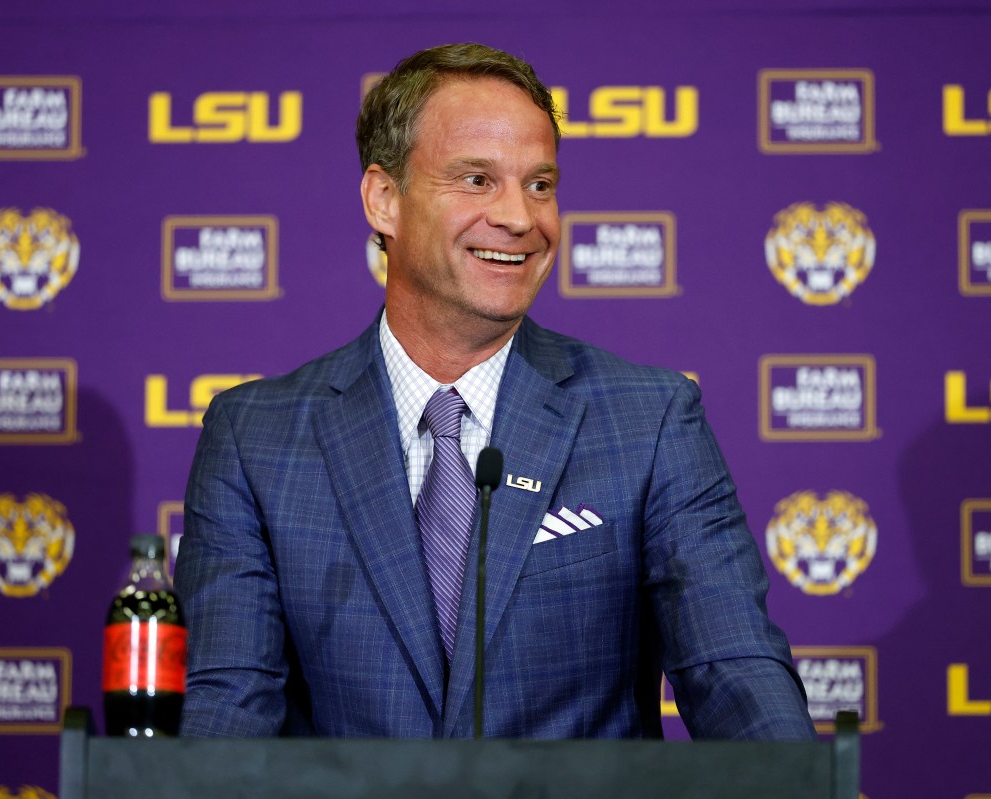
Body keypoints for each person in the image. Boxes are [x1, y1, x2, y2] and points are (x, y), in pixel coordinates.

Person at [176, 42, 815, 740]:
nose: (520, 217)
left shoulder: (650, 419)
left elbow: (736, 673)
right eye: (478, 179)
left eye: (539, 184)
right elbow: (227, 715)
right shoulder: (256, 437)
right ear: (383, 198)